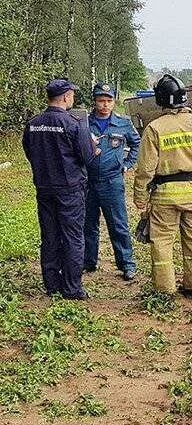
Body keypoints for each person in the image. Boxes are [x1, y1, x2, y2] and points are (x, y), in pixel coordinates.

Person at [133, 74, 192, 300]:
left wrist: (140, 198)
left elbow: (145, 169)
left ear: (160, 100)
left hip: (164, 196)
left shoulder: (154, 128)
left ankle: (165, 290)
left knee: (162, 241)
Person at [22, 79, 95, 300]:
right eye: (71, 94)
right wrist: (94, 148)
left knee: (50, 236)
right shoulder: (74, 124)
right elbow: (86, 156)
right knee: (73, 237)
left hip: (44, 188)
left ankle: (52, 285)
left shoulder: (33, 123)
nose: (72, 98)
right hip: (70, 189)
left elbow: (29, 151)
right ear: (65, 97)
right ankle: (72, 289)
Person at [83, 83, 141, 281]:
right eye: (101, 101)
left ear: (114, 102)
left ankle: (126, 264)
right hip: (87, 182)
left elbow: (137, 143)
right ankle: (87, 261)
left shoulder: (123, 123)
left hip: (112, 181)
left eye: (109, 101)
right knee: (87, 224)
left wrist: (127, 164)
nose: (105, 105)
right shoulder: (83, 123)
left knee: (118, 224)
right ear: (95, 101)